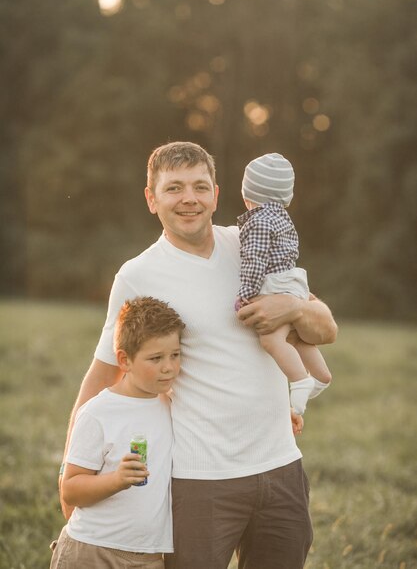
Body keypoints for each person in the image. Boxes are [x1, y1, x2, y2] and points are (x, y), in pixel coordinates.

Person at [59, 141, 338, 569]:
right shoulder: (137, 275)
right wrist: (72, 471)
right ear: (152, 199)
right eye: (173, 188)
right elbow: (104, 372)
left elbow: (326, 328)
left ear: (216, 195)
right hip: (201, 480)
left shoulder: (250, 244)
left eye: (199, 186)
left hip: (282, 468)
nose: (189, 198)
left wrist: (296, 308)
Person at [51, 296, 185, 569]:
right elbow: (71, 490)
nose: (168, 367)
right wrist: (116, 480)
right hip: (92, 551)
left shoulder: (173, 406)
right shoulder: (98, 412)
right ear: (124, 360)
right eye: (155, 358)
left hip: (148, 557)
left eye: (175, 354)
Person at [235, 153, 332, 415]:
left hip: (275, 284)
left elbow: (254, 260)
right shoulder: (282, 218)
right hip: (295, 281)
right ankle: (322, 376)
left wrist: (246, 293)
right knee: (297, 338)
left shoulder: (257, 222)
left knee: (272, 340)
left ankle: (300, 381)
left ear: (247, 195)